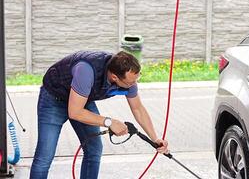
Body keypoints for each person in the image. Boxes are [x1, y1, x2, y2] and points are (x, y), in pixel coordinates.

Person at [30, 50, 168, 179]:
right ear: (114, 77)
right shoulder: (86, 70)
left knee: (94, 149)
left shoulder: (128, 79)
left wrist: (155, 139)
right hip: (54, 98)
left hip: (82, 99)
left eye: (136, 79)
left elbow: (137, 108)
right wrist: (110, 122)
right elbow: (75, 112)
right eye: (131, 82)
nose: (134, 84)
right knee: (45, 156)